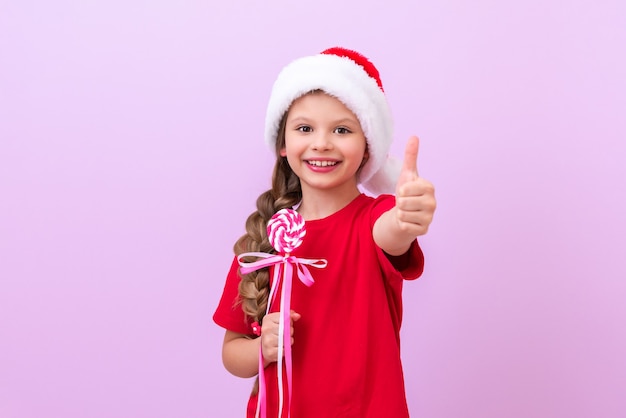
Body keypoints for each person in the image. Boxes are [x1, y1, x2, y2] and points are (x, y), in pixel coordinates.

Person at [213, 46, 436, 418]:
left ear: (368, 148)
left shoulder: (373, 219)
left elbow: (393, 232)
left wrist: (407, 215)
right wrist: (262, 348)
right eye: (304, 128)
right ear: (283, 144)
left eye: (342, 130)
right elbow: (232, 352)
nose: (321, 143)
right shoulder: (265, 241)